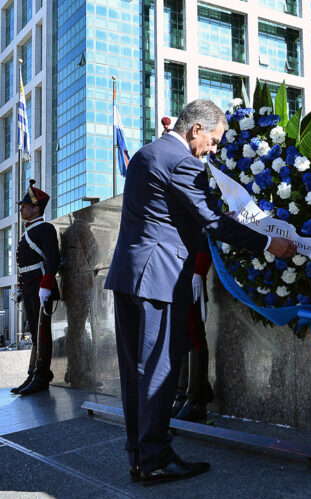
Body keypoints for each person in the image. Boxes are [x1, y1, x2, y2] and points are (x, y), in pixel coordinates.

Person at [104, 99, 295, 486]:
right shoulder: (181, 160)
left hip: (128, 275)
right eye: (212, 140)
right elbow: (211, 220)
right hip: (158, 278)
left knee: (134, 372)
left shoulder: (146, 154)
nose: (212, 149)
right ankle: (155, 457)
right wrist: (267, 243)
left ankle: (139, 455)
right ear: (195, 130)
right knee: (157, 370)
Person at [11, 180, 61, 396]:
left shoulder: (45, 228)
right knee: (34, 331)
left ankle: (42, 376)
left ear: (36, 208)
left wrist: (47, 283)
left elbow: (53, 258)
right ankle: (33, 373)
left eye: (24, 205)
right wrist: (23, 288)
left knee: (42, 333)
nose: (21, 208)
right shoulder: (28, 232)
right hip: (31, 287)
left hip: (42, 287)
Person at [171, 243, 214, 422]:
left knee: (193, 334)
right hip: (176, 270)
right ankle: (182, 396)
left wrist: (199, 270)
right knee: (181, 335)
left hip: (191, 268)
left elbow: (203, 231)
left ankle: (194, 400)